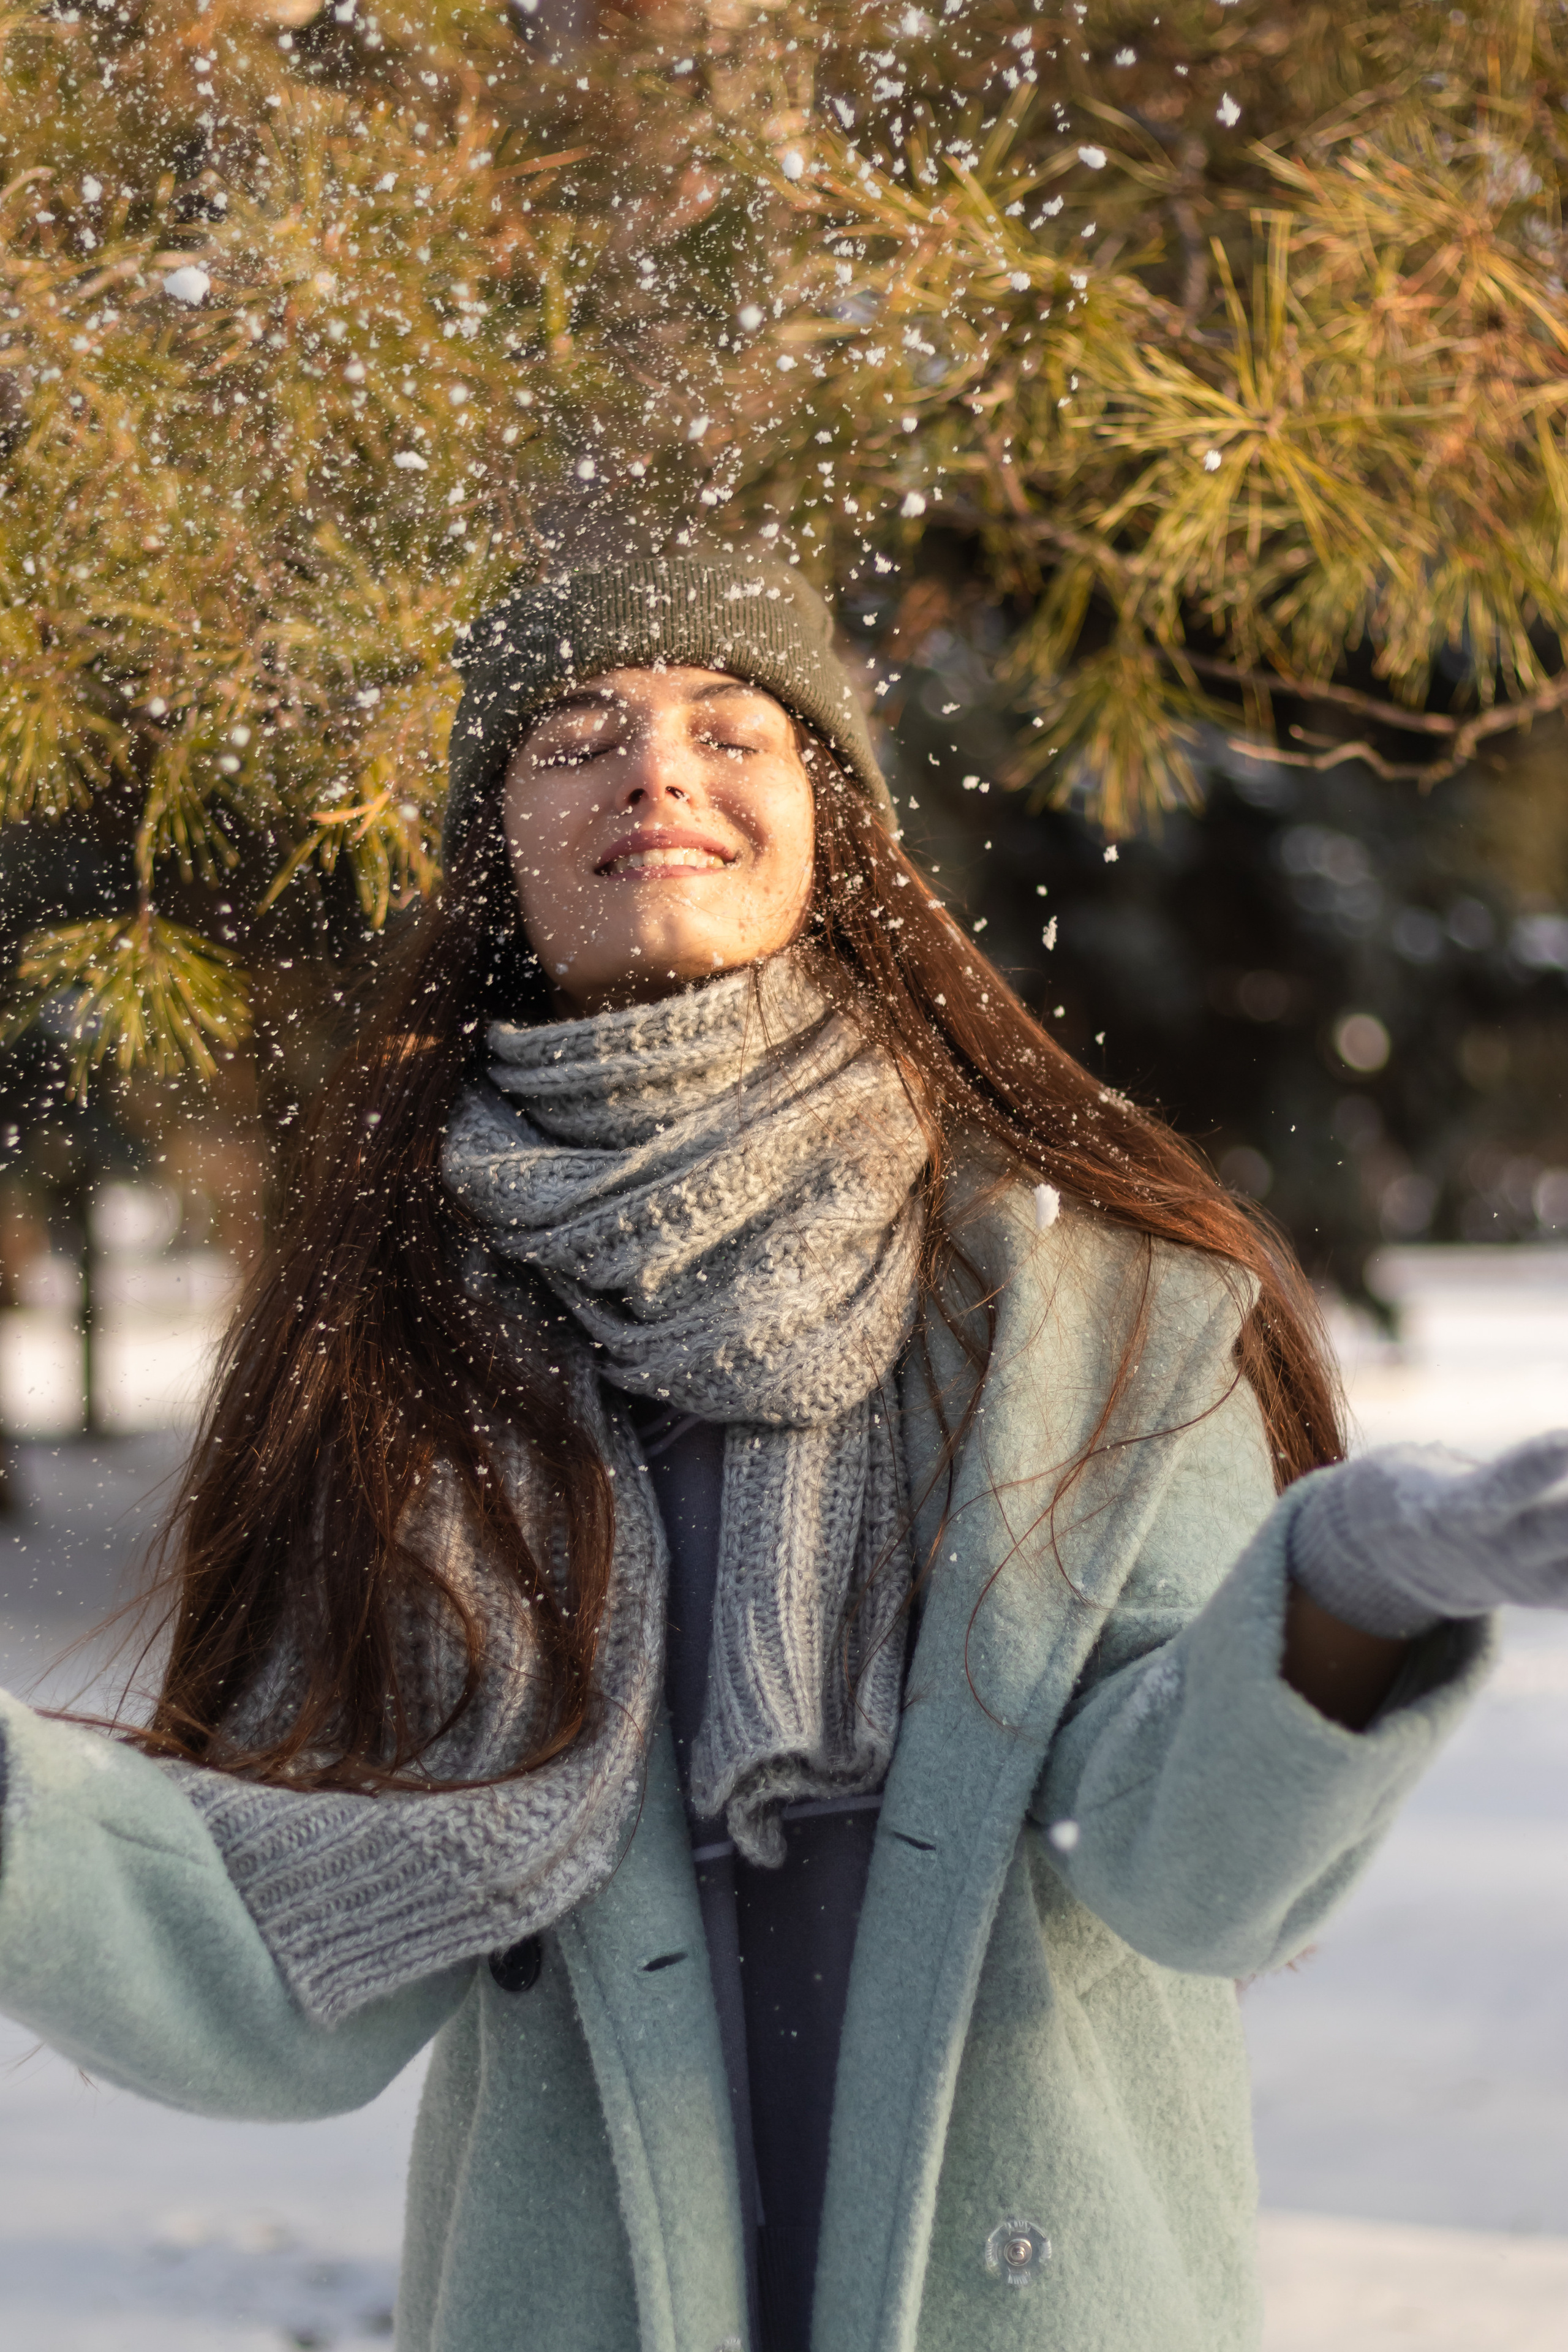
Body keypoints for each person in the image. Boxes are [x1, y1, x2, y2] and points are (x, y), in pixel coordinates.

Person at [2, 538, 1566, 2352]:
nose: (655, 768)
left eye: (729, 725)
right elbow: (278, 1974)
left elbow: (1182, 1872)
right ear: (501, 850)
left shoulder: (1107, 1315)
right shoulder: (411, 1349)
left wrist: (1354, 1582)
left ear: (833, 824)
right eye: (574, 735)